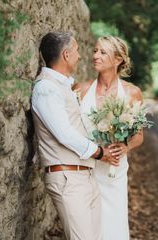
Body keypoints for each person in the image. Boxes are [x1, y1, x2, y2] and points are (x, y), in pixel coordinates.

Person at [31, 31, 119, 240]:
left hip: (84, 175)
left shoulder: (62, 86)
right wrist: (99, 153)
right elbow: (64, 134)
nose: (81, 56)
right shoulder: (46, 88)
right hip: (68, 178)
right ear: (66, 55)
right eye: (77, 50)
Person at [73, 36, 144, 240]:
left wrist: (125, 147)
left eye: (103, 52)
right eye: (95, 51)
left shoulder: (132, 93)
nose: (95, 56)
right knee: (86, 228)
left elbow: (139, 136)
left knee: (114, 227)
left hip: (114, 171)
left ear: (118, 59)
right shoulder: (80, 89)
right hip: (85, 168)